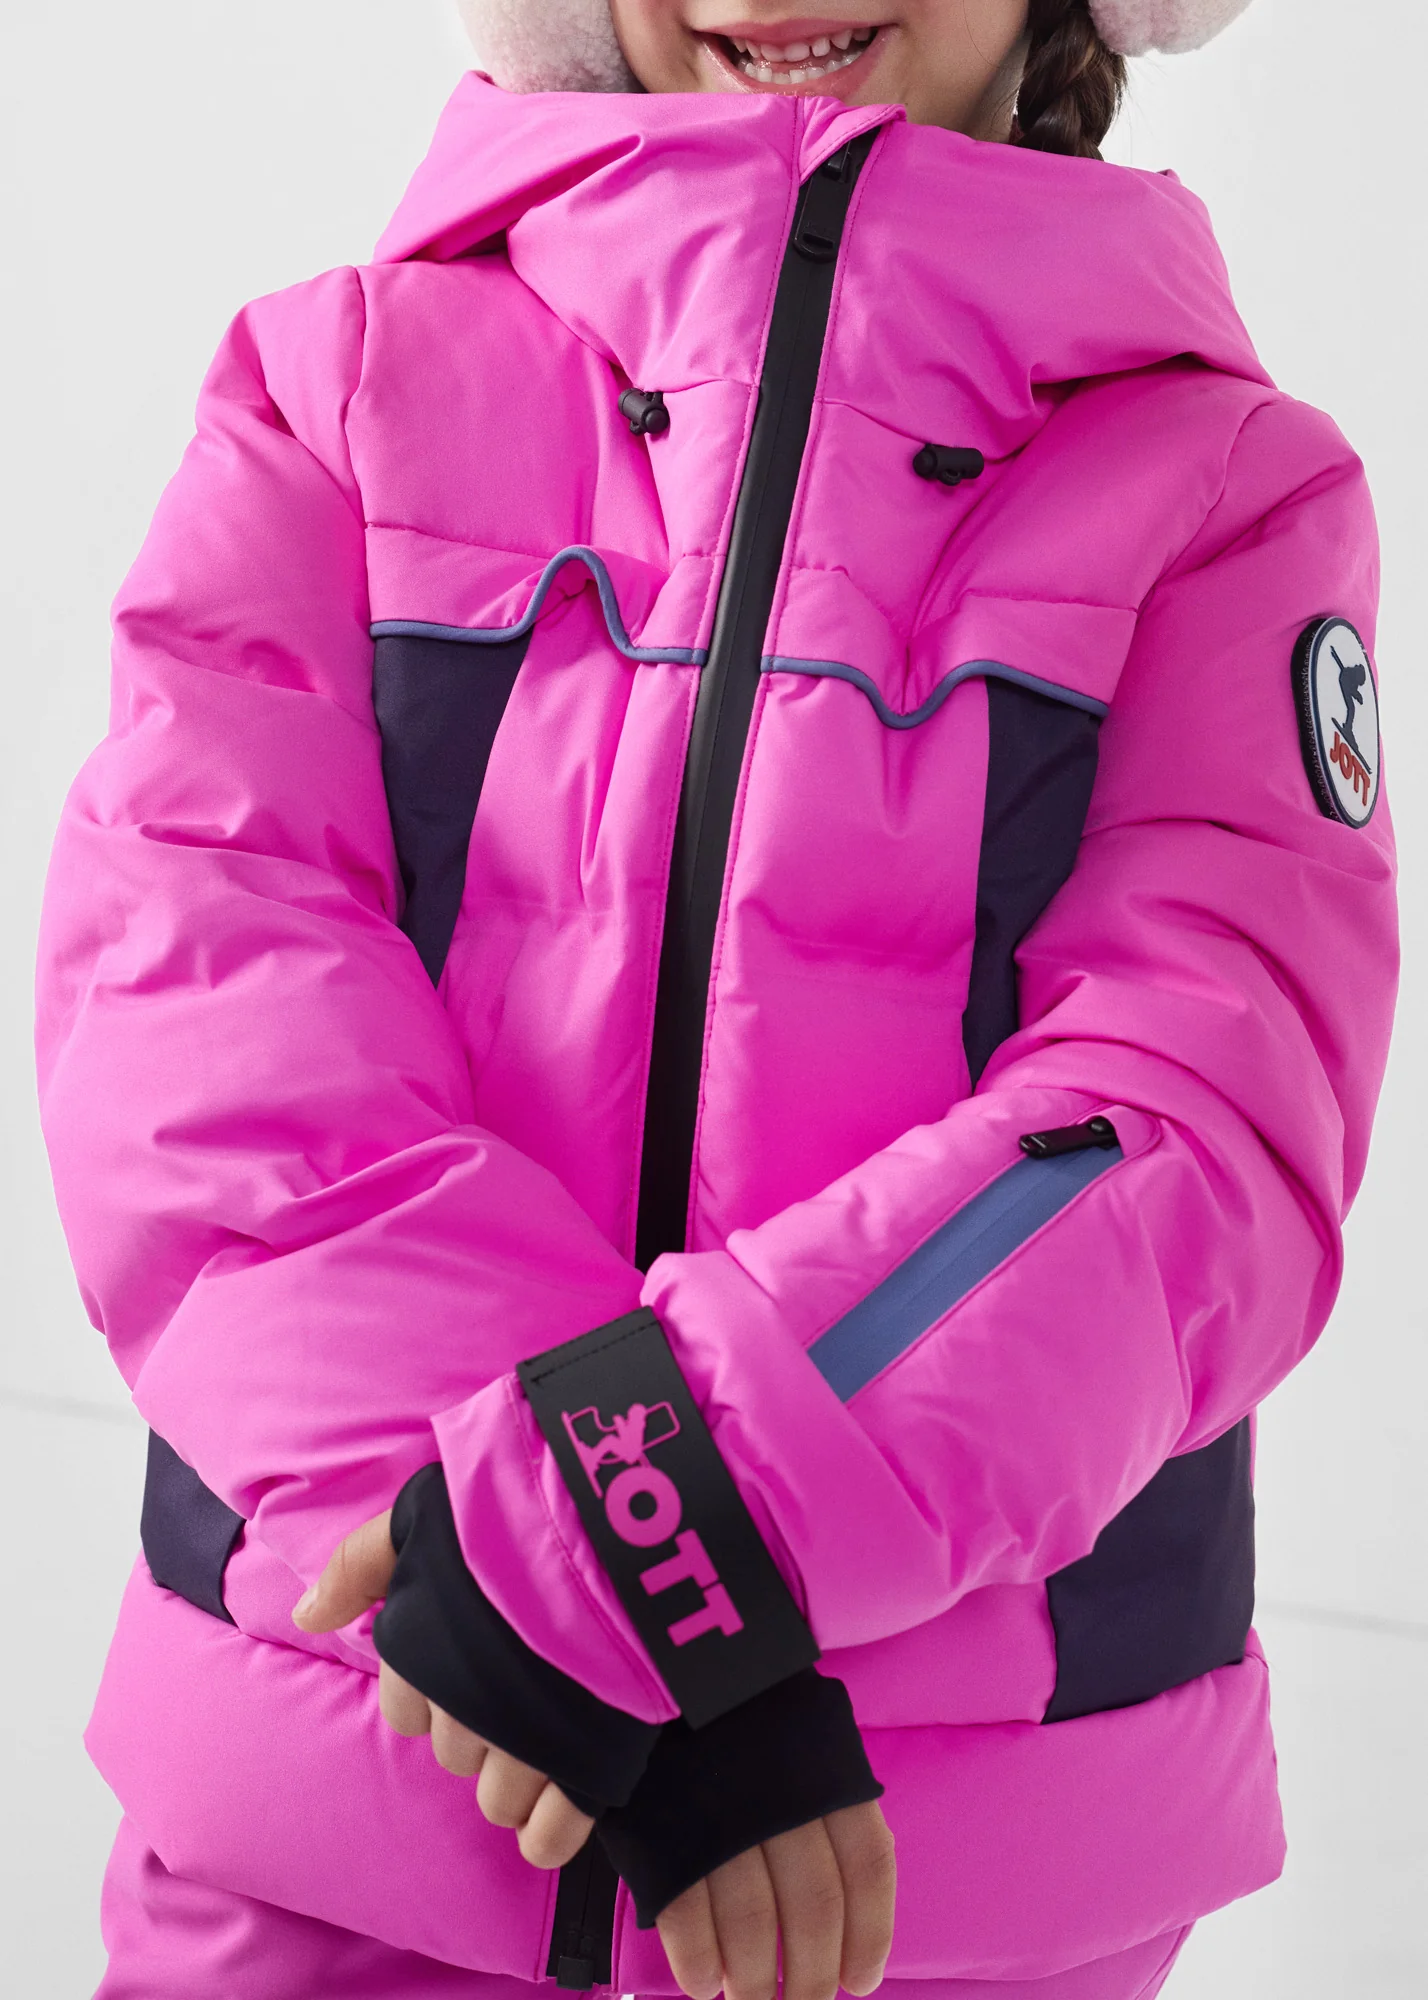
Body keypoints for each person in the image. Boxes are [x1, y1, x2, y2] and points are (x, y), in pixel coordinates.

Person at [35, 3, 1398, 1997]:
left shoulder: (1221, 497)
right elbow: (208, 1025)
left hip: (917, 1883)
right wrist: (611, 1600)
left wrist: (665, 1521)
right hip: (345, 1789)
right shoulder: (338, 392)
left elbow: (1194, 1123)